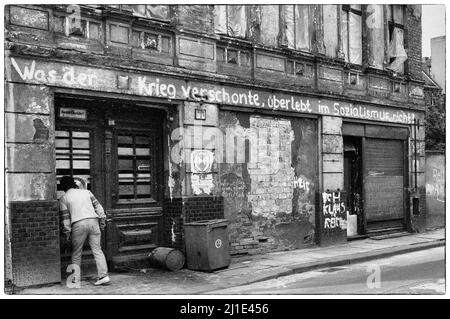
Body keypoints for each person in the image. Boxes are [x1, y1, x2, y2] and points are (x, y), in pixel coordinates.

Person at [59, 175, 110, 286]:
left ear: (63, 186)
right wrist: (102, 221)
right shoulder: (87, 192)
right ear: (73, 183)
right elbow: (99, 207)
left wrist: (67, 233)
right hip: (93, 221)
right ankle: (103, 276)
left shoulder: (64, 198)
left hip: (78, 224)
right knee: (98, 250)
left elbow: (65, 218)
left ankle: (75, 279)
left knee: (76, 252)